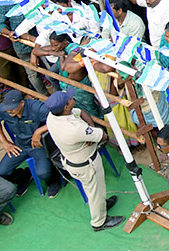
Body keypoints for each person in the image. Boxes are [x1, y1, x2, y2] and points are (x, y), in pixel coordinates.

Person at [42, 91, 123, 231]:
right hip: (85, 165)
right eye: (70, 99)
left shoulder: (53, 116)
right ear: (66, 106)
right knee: (94, 192)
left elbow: (81, 112)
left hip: (76, 160)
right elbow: (103, 136)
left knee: (96, 190)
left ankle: (102, 205)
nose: (72, 98)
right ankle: (99, 222)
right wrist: (91, 133)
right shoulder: (74, 129)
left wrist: (90, 130)